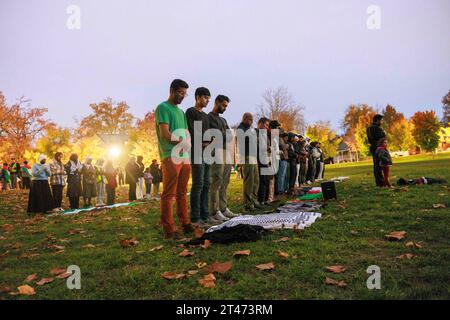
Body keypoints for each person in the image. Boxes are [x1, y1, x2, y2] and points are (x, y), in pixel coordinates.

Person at [155, 79, 195, 239]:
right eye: (180, 93)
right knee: (169, 193)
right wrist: (182, 142)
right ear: (172, 90)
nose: (182, 96)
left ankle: (185, 224)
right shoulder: (162, 107)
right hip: (170, 154)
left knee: (182, 192)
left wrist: (188, 143)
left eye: (185, 94)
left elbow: (186, 132)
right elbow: (165, 133)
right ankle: (169, 229)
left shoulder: (181, 112)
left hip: (184, 156)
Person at [186, 87, 215, 226]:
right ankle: (195, 218)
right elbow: (191, 130)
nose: (207, 101)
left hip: (207, 153)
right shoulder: (190, 112)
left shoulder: (206, 116)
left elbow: (209, 132)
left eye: (209, 99)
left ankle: (205, 216)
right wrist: (201, 141)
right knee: (197, 185)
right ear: (197, 97)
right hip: (196, 153)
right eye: (205, 98)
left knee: (206, 184)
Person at [208, 95, 237, 221]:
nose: (225, 108)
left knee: (225, 181)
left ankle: (223, 208)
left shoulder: (223, 120)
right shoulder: (208, 118)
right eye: (223, 105)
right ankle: (214, 211)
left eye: (226, 106)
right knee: (216, 181)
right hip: (215, 151)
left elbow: (230, 136)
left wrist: (222, 134)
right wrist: (222, 135)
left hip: (225, 151)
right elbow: (213, 135)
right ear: (216, 102)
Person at [237, 113, 261, 212]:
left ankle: (254, 200)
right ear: (245, 119)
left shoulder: (250, 129)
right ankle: (248, 203)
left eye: (252, 120)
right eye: (250, 119)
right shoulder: (241, 128)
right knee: (249, 181)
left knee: (256, 180)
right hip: (246, 156)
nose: (251, 122)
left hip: (253, 156)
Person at [367, 114, 386, 187]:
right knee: (379, 166)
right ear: (377, 120)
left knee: (376, 165)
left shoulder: (369, 128)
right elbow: (382, 138)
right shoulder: (376, 128)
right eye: (381, 120)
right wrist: (383, 132)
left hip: (373, 148)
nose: (381, 122)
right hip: (378, 148)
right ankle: (381, 182)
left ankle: (379, 182)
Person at [256, 117, 271, 206]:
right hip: (259, 159)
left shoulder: (264, 134)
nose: (267, 127)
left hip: (266, 159)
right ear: (260, 123)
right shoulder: (255, 133)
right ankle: (260, 200)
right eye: (266, 125)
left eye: (268, 125)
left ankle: (265, 199)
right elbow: (258, 146)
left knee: (266, 180)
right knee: (261, 181)